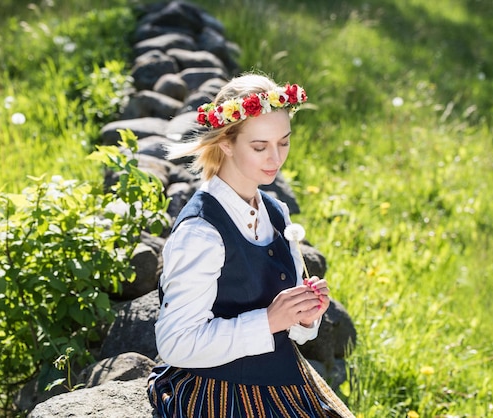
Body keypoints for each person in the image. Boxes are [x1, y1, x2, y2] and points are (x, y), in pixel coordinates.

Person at [147, 73, 354, 417]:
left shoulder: (276, 212)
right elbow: (175, 344)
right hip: (220, 393)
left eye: (284, 142)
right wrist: (269, 321)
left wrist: (304, 316)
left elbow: (291, 332)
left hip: (284, 381)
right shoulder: (200, 232)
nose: (276, 158)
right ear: (226, 143)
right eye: (260, 147)